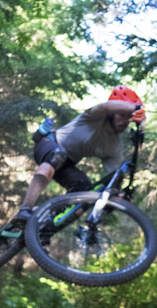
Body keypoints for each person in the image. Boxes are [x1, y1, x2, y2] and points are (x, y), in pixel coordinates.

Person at [12, 85, 146, 224]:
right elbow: (106, 106)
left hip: (66, 164)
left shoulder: (114, 147)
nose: (125, 121)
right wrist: (136, 109)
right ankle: (25, 208)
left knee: (85, 191)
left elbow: (115, 176)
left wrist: (121, 195)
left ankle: (48, 224)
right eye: (122, 115)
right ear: (113, 113)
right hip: (49, 144)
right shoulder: (94, 116)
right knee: (57, 155)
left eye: (129, 118)